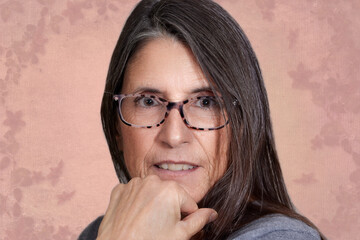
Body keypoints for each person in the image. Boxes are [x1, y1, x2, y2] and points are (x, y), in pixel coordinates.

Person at [79, 0, 326, 239]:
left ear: (242, 127)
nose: (174, 136)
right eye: (148, 101)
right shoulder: (101, 232)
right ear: (116, 129)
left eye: (206, 102)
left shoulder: (280, 237)